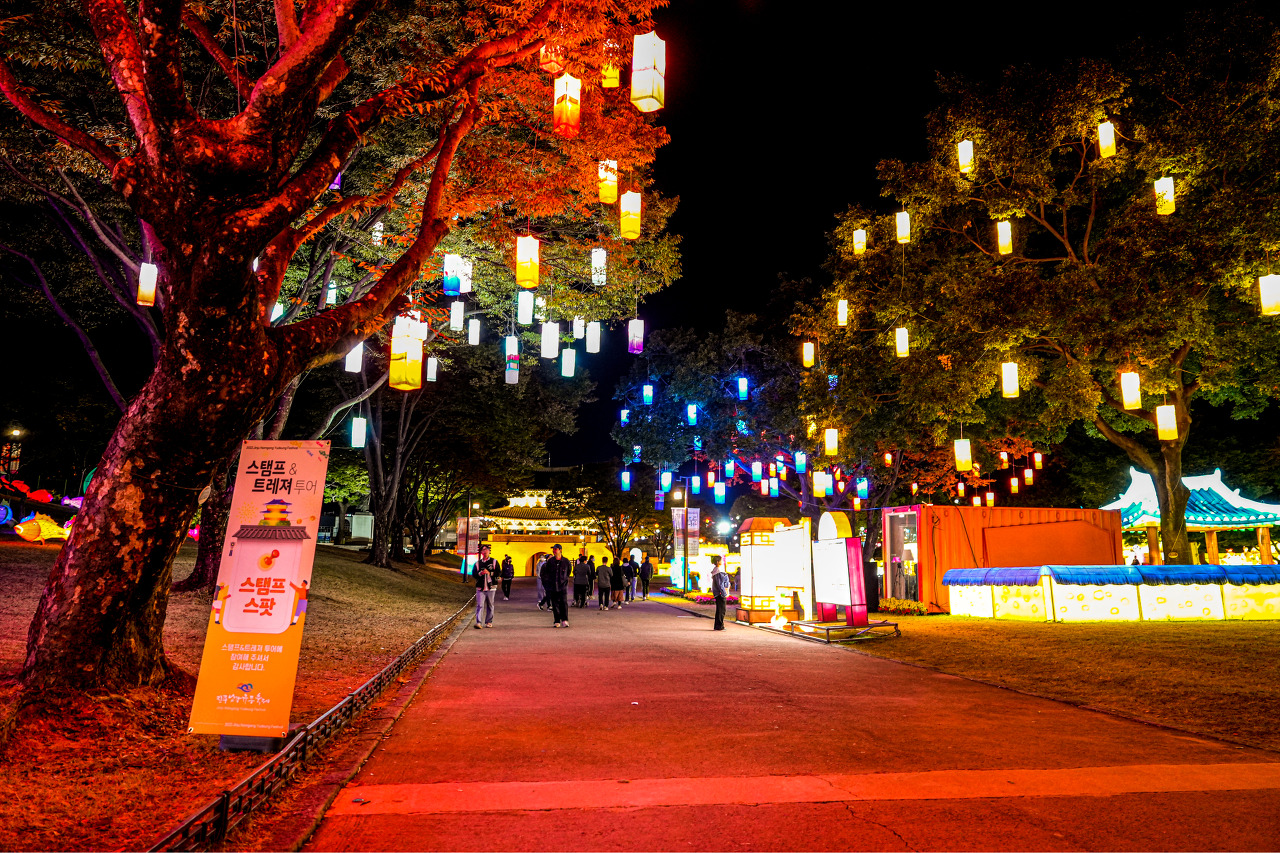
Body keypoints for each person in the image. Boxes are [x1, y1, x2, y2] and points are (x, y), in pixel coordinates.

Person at [540, 543, 573, 627]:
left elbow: (568, 572)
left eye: (555, 549)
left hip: (563, 586)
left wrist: (564, 580)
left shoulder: (566, 561)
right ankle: (557, 620)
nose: (554, 551)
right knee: (555, 604)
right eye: (553, 549)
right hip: (553, 585)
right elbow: (547, 573)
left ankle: (565, 620)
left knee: (563, 603)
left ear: (560, 550)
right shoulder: (550, 561)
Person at [472, 545, 499, 628]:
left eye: (486, 549)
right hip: (480, 587)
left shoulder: (494, 562)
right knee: (480, 605)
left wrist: (489, 573)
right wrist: (481, 573)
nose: (485, 551)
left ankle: (488, 622)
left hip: (491, 587)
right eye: (483, 550)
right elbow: (474, 574)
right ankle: (479, 622)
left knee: (490, 605)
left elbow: (498, 573)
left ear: (489, 551)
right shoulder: (477, 563)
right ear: (481, 552)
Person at [710, 555, 729, 630]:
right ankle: (720, 626)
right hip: (720, 594)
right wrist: (724, 593)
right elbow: (720, 584)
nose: (722, 561)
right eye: (721, 560)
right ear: (718, 562)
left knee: (719, 610)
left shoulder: (716, 570)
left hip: (718, 593)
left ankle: (718, 625)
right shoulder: (718, 571)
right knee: (721, 610)